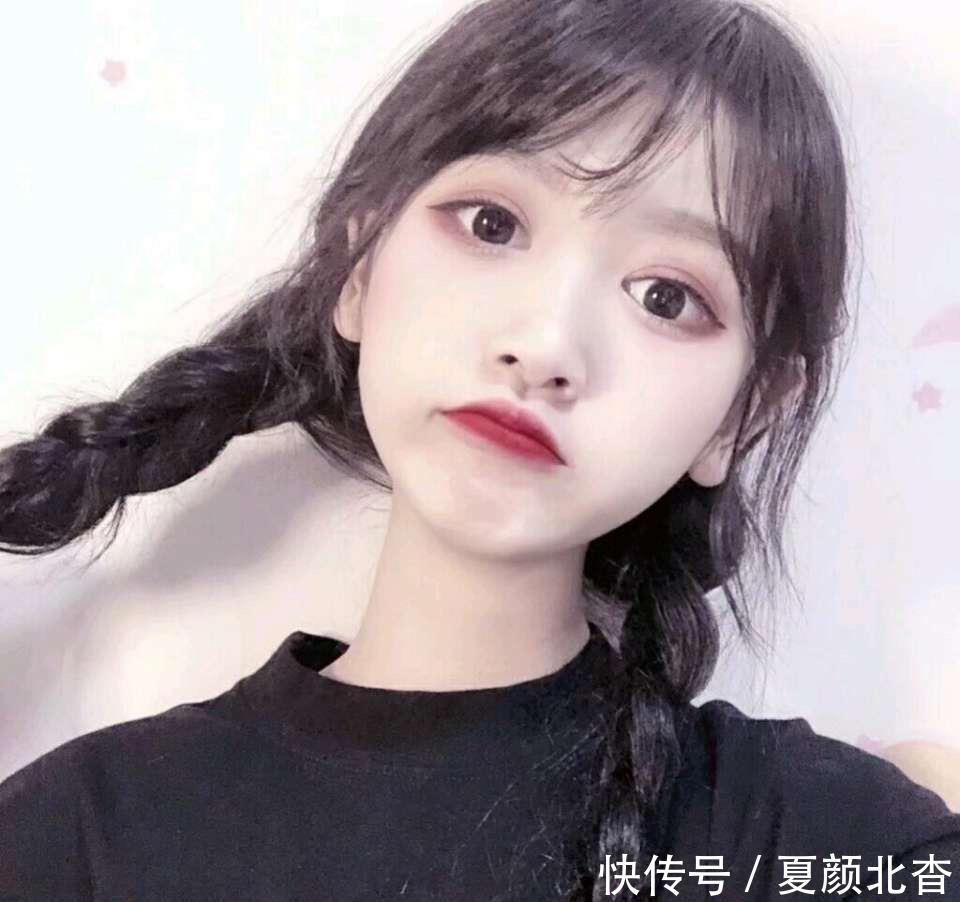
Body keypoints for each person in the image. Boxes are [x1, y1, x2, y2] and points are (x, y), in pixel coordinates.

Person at [1, 0, 958, 898]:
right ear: (359, 266)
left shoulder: (825, 842)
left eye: (666, 297)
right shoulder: (73, 836)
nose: (545, 346)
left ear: (740, 416)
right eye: (492, 224)